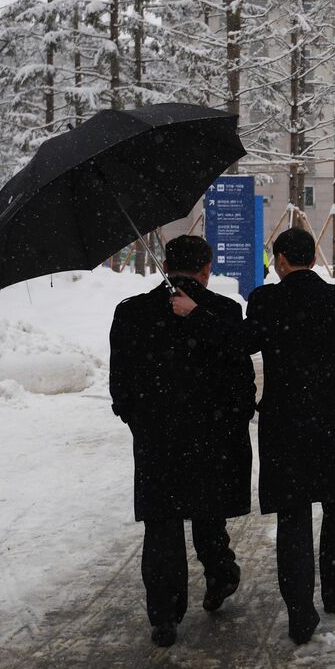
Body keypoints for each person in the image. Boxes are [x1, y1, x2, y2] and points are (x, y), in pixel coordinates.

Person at [173, 227, 335, 645]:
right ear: (311, 258)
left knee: (293, 518)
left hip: (285, 427)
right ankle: (334, 594)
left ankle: (299, 613)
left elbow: (239, 343)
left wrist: (194, 312)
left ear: (283, 261)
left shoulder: (266, 300)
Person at [109, 235, 255, 647]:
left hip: (158, 440)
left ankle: (165, 614)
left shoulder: (132, 313)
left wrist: (140, 420)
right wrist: (233, 419)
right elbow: (241, 378)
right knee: (209, 514)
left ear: (169, 264)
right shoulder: (225, 311)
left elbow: (120, 383)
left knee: (161, 525)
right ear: (206, 269)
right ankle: (220, 574)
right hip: (213, 435)